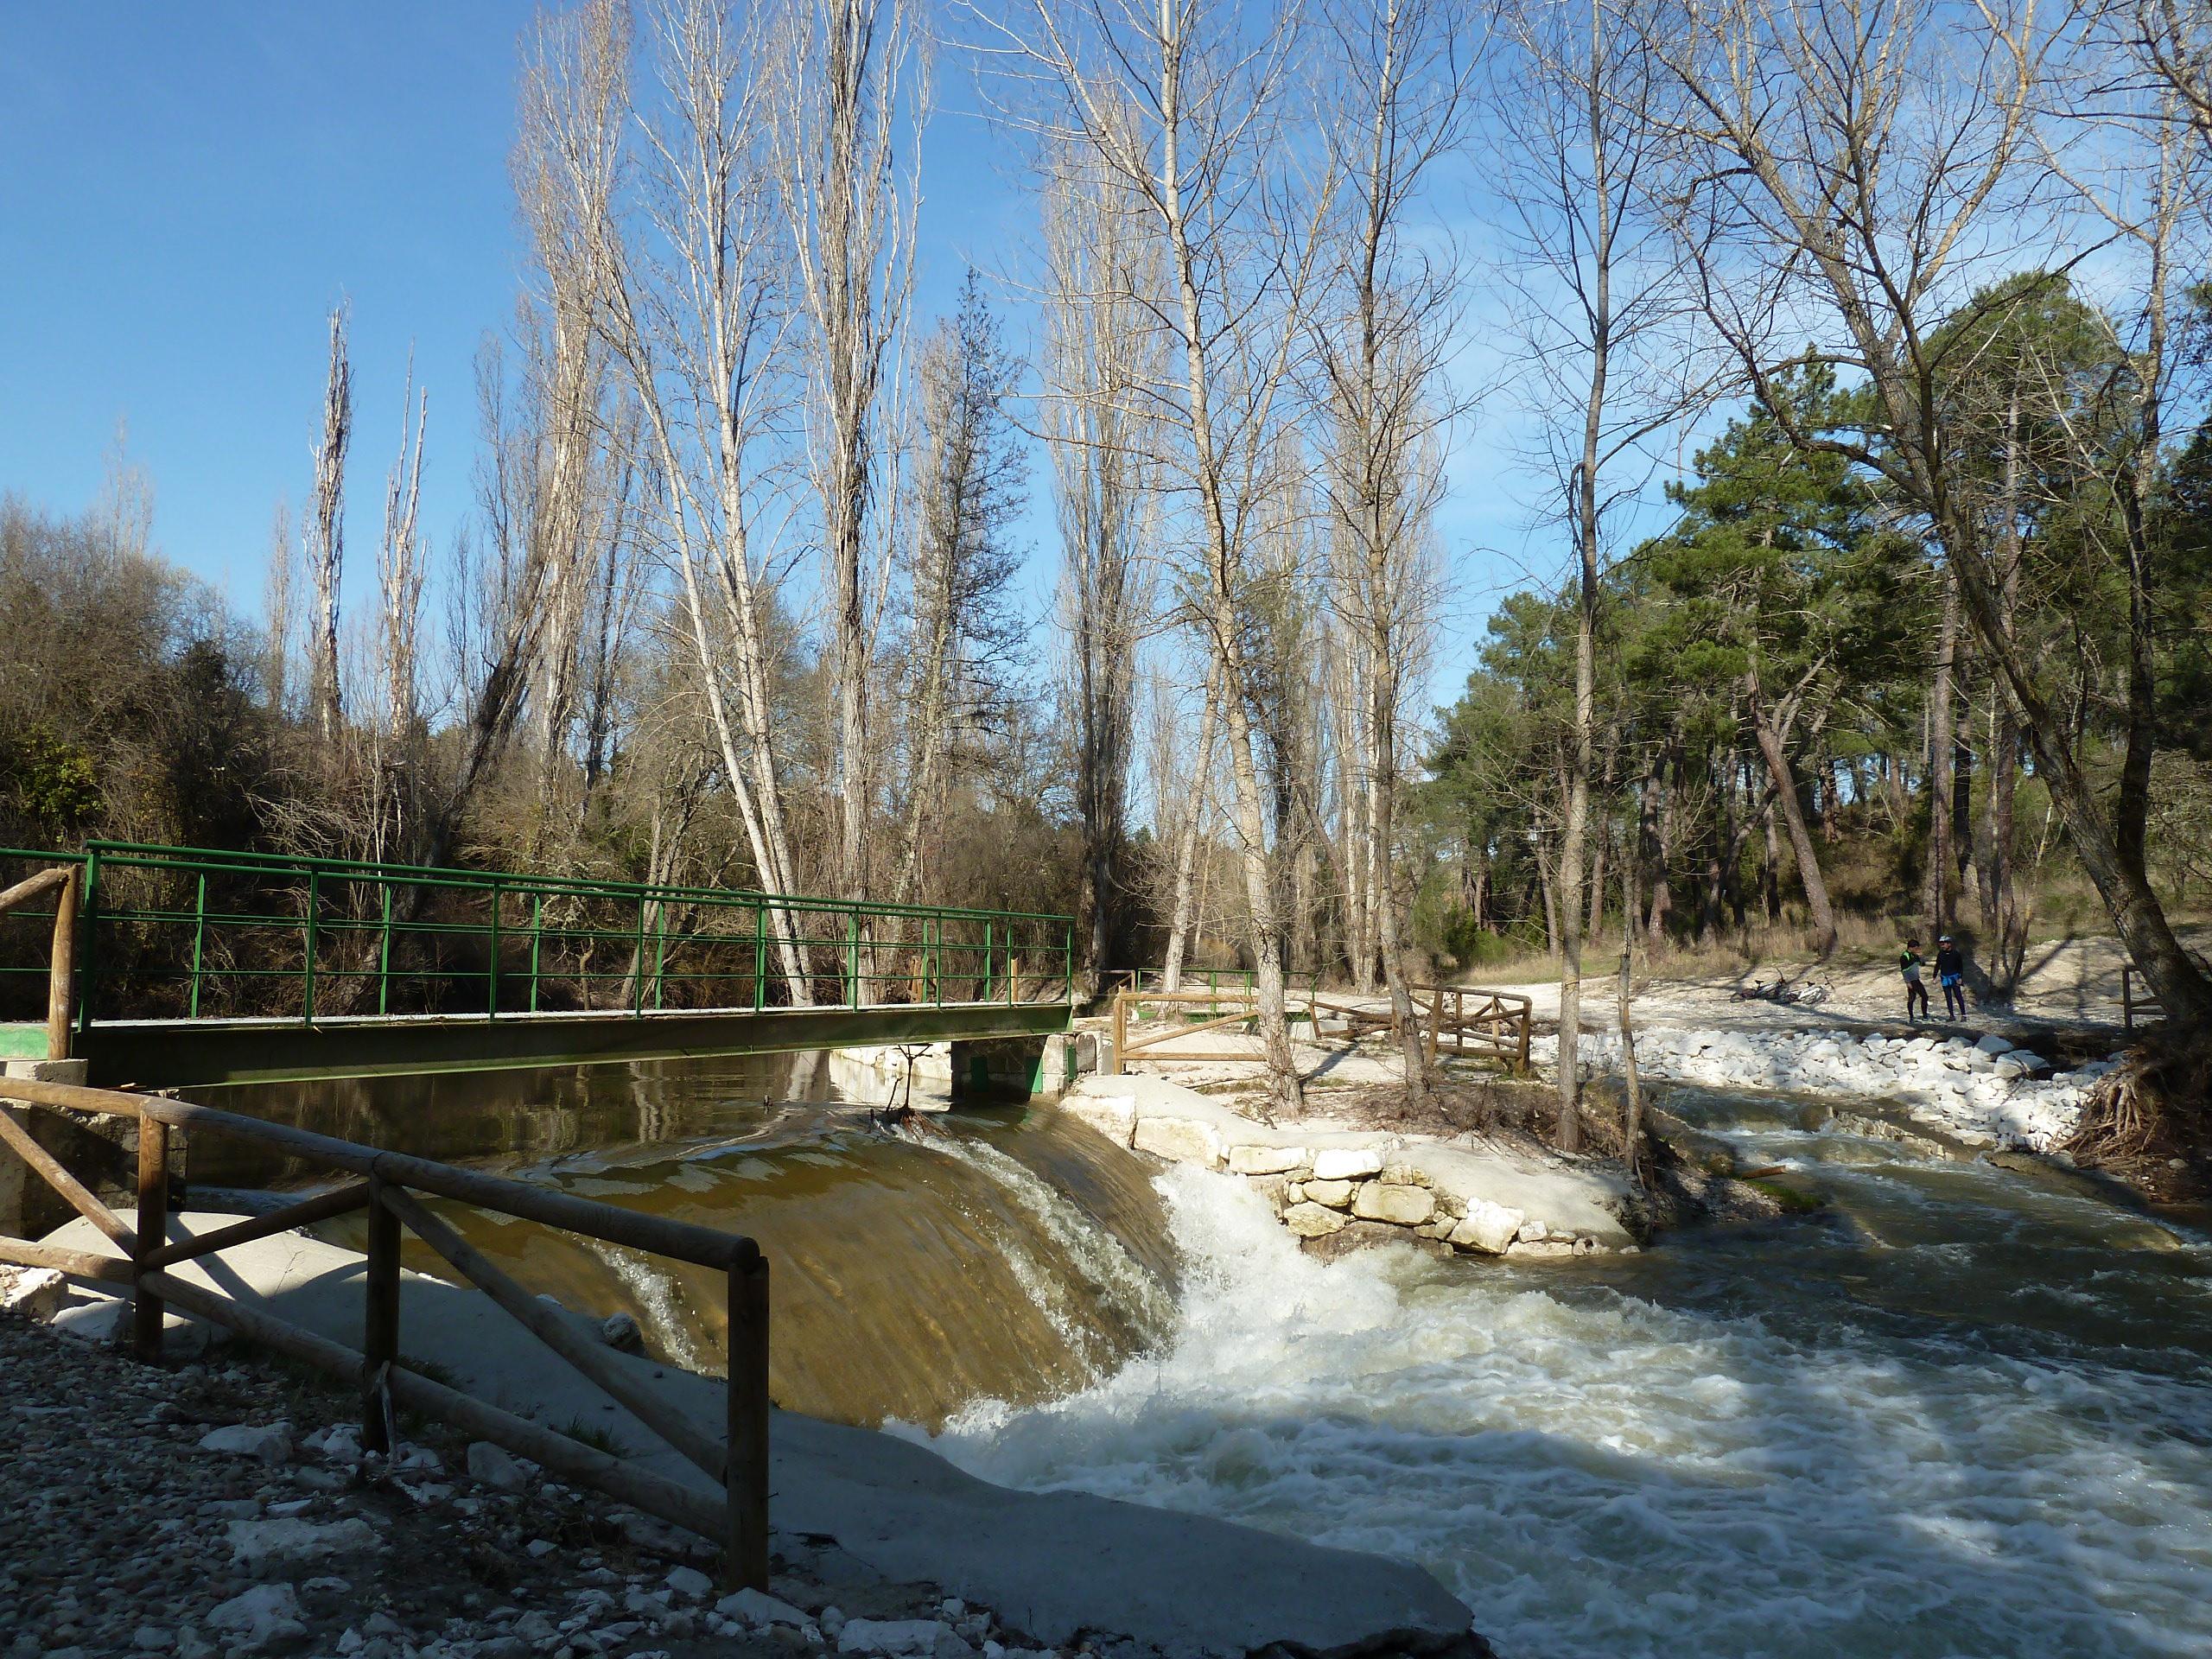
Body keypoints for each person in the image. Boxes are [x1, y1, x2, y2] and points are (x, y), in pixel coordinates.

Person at [1936, 934, 1967, 1020]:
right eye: (1941, 944)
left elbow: (1960, 966)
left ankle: (1963, 1015)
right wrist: (1934, 976)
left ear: (1949, 944)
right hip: (1944, 977)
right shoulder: (1940, 954)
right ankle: (1951, 1016)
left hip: (1954, 977)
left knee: (1958, 996)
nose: (1942, 946)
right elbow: (1938, 965)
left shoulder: (1956, 954)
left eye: (1944, 944)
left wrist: (1960, 977)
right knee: (1948, 997)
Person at [1899, 938, 1929, 1023]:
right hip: (1911, 980)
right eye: (1916, 948)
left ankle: (1923, 1015)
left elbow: (1923, 964)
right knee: (1917, 997)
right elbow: (1903, 970)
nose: (1917, 950)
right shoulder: (1904, 956)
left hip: (1916, 979)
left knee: (1916, 998)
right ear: (1911, 948)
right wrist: (1907, 982)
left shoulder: (1915, 955)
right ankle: (1914, 1017)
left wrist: (1921, 957)